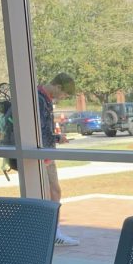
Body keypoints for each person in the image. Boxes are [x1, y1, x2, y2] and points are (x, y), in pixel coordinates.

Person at [38, 73, 80, 247]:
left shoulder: (41, 97)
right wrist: (56, 138)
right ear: (58, 87)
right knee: (53, 191)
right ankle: (53, 232)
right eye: (64, 95)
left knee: (52, 191)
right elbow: (39, 129)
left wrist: (55, 138)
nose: (63, 98)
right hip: (43, 153)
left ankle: (52, 231)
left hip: (45, 152)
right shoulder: (40, 100)